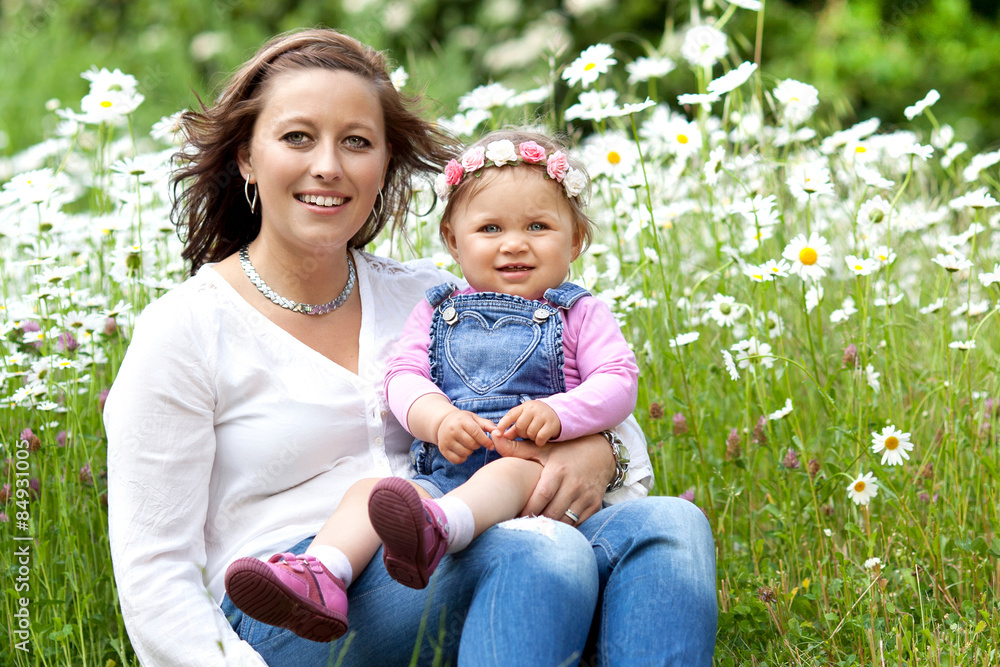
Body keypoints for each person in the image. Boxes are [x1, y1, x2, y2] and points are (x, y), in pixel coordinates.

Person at [104, 27, 718, 667]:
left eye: (357, 142)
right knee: (541, 549)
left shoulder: (435, 299)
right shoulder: (184, 330)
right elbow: (155, 574)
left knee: (672, 528)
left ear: (384, 164)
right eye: (296, 137)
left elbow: (580, 401)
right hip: (294, 608)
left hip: (456, 537)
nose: (328, 165)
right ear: (246, 158)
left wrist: (601, 453)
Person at [222, 129, 641, 639]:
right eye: (490, 228)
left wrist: (561, 415)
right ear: (452, 239)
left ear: (574, 239)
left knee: (504, 475)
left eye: (538, 225)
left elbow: (618, 381)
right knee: (371, 492)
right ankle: (321, 573)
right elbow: (403, 377)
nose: (514, 243)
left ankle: (442, 531)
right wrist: (437, 418)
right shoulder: (437, 307)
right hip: (441, 475)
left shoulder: (579, 313)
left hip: (526, 475)